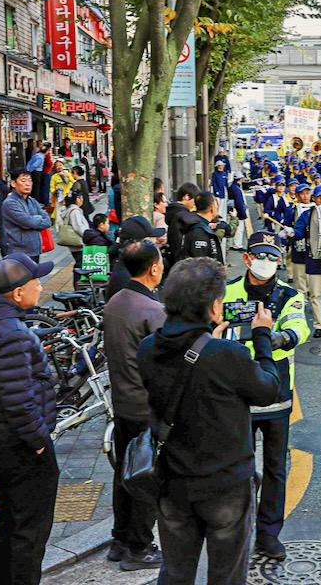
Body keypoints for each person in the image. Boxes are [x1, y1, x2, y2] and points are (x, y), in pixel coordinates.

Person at [137, 257, 283, 584]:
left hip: (173, 482)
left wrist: (208, 339)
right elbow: (267, 390)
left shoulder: (148, 349)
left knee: (175, 572)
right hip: (226, 484)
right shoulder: (227, 355)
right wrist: (261, 336)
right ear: (216, 307)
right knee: (227, 575)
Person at [222, 232, 310, 561]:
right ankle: (235, 527)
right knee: (237, 466)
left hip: (276, 394)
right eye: (261, 255)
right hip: (237, 394)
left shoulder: (289, 295)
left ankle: (269, 532)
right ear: (246, 258)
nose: (267, 263)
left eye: (273, 257)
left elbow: (300, 326)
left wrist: (281, 336)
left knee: (275, 467)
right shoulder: (227, 291)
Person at [0, 253, 59, 585]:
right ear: (18, 294)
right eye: (36, 282)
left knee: (8, 518)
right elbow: (18, 400)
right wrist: (38, 443)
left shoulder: (0, 323)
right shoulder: (13, 334)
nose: (41, 286)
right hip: (20, 443)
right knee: (29, 530)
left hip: (4, 441)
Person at [103, 240, 166, 571]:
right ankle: (139, 548)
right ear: (154, 268)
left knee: (124, 474)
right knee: (146, 477)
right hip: (146, 407)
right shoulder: (153, 311)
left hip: (122, 404)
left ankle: (120, 540)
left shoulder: (115, 301)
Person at [287, 185, 321, 338]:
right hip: (314, 260)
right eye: (318, 197)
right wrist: (292, 233)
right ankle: (319, 325)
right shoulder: (307, 215)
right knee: (315, 295)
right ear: (314, 198)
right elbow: (299, 231)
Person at [106, 216, 166, 301]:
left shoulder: (129, 268)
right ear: (138, 246)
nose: (155, 241)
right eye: (150, 240)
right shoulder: (130, 280)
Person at [1, 168, 52, 262]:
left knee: (35, 276)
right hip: (19, 252)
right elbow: (28, 222)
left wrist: (34, 220)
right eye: (23, 181)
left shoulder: (32, 201)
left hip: (35, 250)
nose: (28, 184)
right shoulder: (10, 203)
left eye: (30, 180)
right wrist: (38, 219)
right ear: (13, 183)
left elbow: (48, 221)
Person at [182, 191, 231, 264]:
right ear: (212, 207)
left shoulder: (199, 224)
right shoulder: (199, 231)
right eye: (216, 204)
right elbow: (199, 264)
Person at [165, 182, 200, 265]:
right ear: (186, 197)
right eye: (194, 200)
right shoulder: (183, 216)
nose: (195, 203)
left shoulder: (171, 210)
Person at [59, 191, 88, 286]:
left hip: (73, 243)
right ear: (76, 199)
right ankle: (78, 284)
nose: (82, 200)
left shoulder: (68, 210)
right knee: (80, 264)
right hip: (78, 242)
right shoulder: (74, 211)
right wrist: (88, 235)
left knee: (79, 262)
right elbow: (78, 227)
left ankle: (78, 284)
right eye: (80, 198)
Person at [227, 172, 248, 251]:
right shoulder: (237, 189)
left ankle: (233, 244)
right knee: (239, 229)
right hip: (237, 212)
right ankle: (237, 245)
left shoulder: (232, 187)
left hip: (232, 209)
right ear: (240, 179)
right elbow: (239, 202)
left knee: (233, 227)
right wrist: (243, 213)